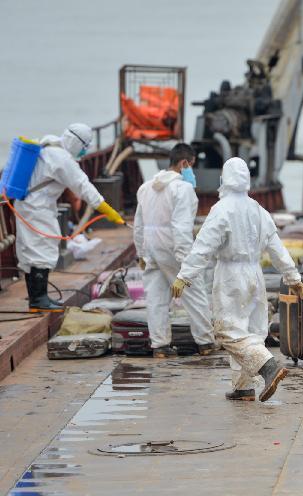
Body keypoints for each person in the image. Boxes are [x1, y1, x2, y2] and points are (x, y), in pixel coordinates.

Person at [173, 158, 303, 402]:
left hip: (231, 277)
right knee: (250, 332)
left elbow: (203, 247)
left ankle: (268, 367)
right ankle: (243, 387)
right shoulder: (258, 209)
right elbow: (276, 248)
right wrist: (292, 276)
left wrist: (184, 276)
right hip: (255, 274)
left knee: (228, 332)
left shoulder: (222, 209)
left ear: (224, 179)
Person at [15, 123, 124, 310]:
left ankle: (38, 298)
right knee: (43, 251)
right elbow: (83, 186)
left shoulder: (50, 144)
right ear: (76, 142)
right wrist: (107, 209)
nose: (83, 152)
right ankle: (38, 299)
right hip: (37, 209)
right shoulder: (62, 159)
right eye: (83, 147)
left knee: (32, 251)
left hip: (30, 205)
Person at [133, 143, 215, 358]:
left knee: (156, 299)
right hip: (173, 249)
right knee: (194, 293)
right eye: (192, 167)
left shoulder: (146, 187)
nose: (192, 173)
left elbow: (138, 224)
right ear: (184, 163)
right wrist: (186, 261)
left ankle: (159, 345)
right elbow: (181, 227)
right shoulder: (183, 189)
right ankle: (205, 342)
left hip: (152, 249)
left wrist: (141, 252)